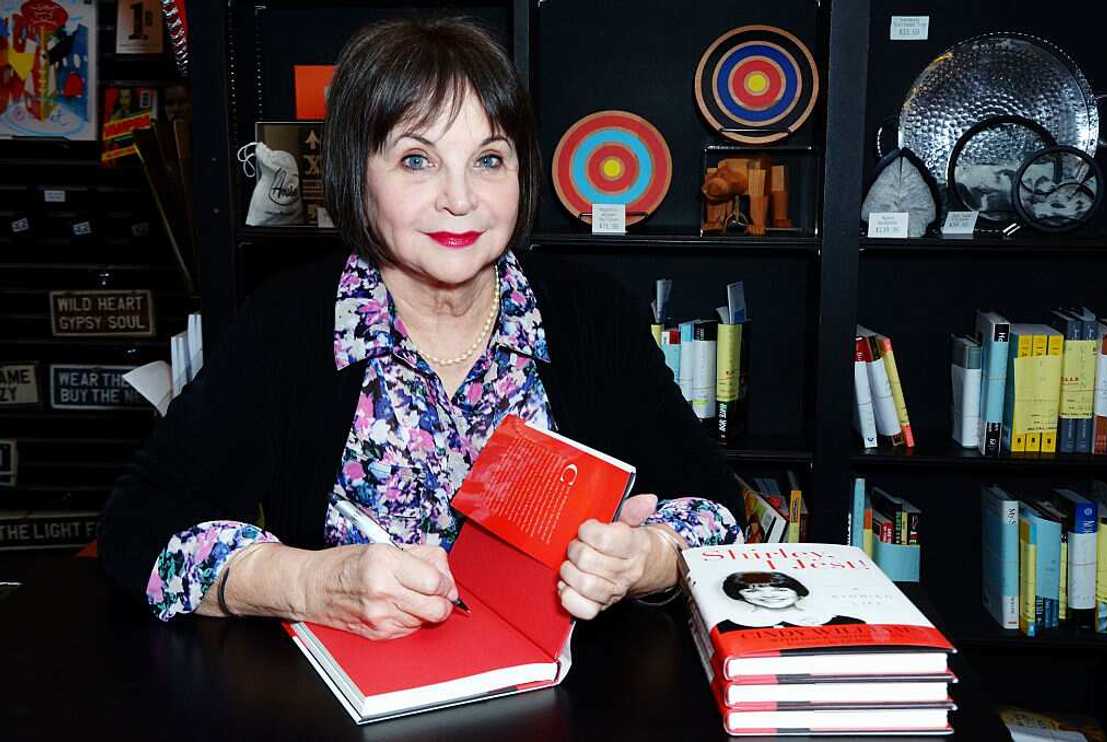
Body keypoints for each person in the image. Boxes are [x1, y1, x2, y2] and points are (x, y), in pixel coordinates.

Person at [99, 17, 745, 641]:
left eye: (489, 160)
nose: (459, 198)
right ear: (358, 174)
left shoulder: (590, 315)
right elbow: (138, 526)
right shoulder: (288, 324)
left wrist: (648, 559)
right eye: (417, 160)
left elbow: (717, 505)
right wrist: (306, 582)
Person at [715, 572, 865, 631]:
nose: (769, 595)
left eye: (780, 589)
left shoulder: (848, 622)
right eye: (752, 590)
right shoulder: (727, 627)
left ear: (797, 592)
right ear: (740, 596)